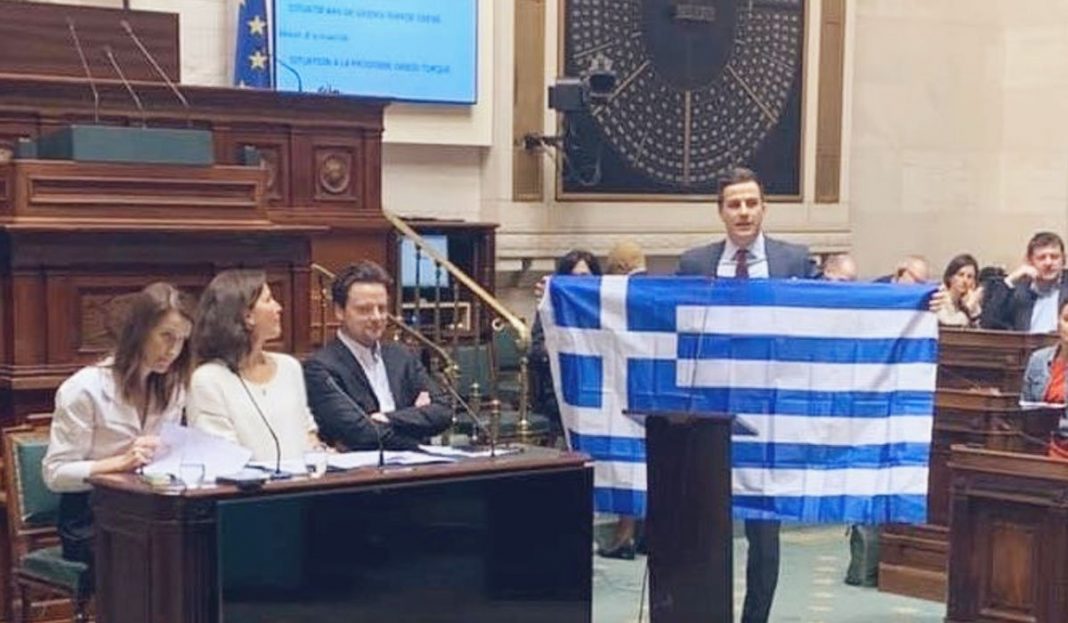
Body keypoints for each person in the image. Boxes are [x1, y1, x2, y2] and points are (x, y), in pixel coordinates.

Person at [677, 166, 815, 623]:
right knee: (707, 528)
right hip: (711, 413)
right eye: (734, 204)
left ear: (764, 208)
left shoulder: (794, 260)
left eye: (751, 203)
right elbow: (656, 312)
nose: (743, 212)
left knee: (764, 535)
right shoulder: (695, 264)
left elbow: (838, 306)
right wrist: (559, 293)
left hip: (769, 414)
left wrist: (918, 301)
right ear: (720, 211)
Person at [43, 282, 195, 577]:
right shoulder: (84, 389)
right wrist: (120, 463)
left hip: (149, 510)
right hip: (90, 517)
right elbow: (55, 474)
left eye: (182, 340)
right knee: (155, 558)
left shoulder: (173, 388)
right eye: (166, 336)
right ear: (139, 331)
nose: (174, 350)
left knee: (202, 549)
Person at [304, 260, 452, 450]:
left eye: (382, 308)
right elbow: (360, 434)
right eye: (364, 309)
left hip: (415, 464)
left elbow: (443, 411)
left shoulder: (401, 356)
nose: (376, 317)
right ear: (339, 311)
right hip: (363, 466)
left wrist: (387, 418)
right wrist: (414, 428)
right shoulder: (321, 367)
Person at [187, 270, 321, 463]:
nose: (279, 307)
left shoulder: (289, 367)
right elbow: (221, 455)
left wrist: (320, 457)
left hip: (304, 479)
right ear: (247, 316)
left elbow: (308, 433)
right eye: (268, 300)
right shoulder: (209, 379)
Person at [598, 241, 647, 560]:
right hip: (655, 385)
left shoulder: (613, 294)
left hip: (623, 386)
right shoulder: (660, 290)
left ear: (619, 268)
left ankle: (625, 534)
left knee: (627, 461)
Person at [529, 250, 603, 435]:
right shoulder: (550, 309)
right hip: (560, 388)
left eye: (585, 277)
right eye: (573, 278)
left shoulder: (602, 310)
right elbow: (536, 351)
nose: (579, 283)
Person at [982, 232, 1068, 332]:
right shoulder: (1019, 293)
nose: (1048, 263)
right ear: (1030, 261)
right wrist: (1011, 279)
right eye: (1041, 258)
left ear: (1063, 260)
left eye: (1054, 257)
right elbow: (988, 323)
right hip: (1026, 342)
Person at [1021, 297, 1068, 404]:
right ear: (1058, 323)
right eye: (1067, 320)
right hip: (1039, 414)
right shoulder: (1038, 359)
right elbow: (1026, 403)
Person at [936, 253, 983, 327]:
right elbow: (951, 327)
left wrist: (974, 308)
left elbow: (979, 328)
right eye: (961, 275)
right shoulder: (940, 298)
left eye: (969, 277)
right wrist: (969, 307)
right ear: (950, 277)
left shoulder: (967, 300)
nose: (965, 280)